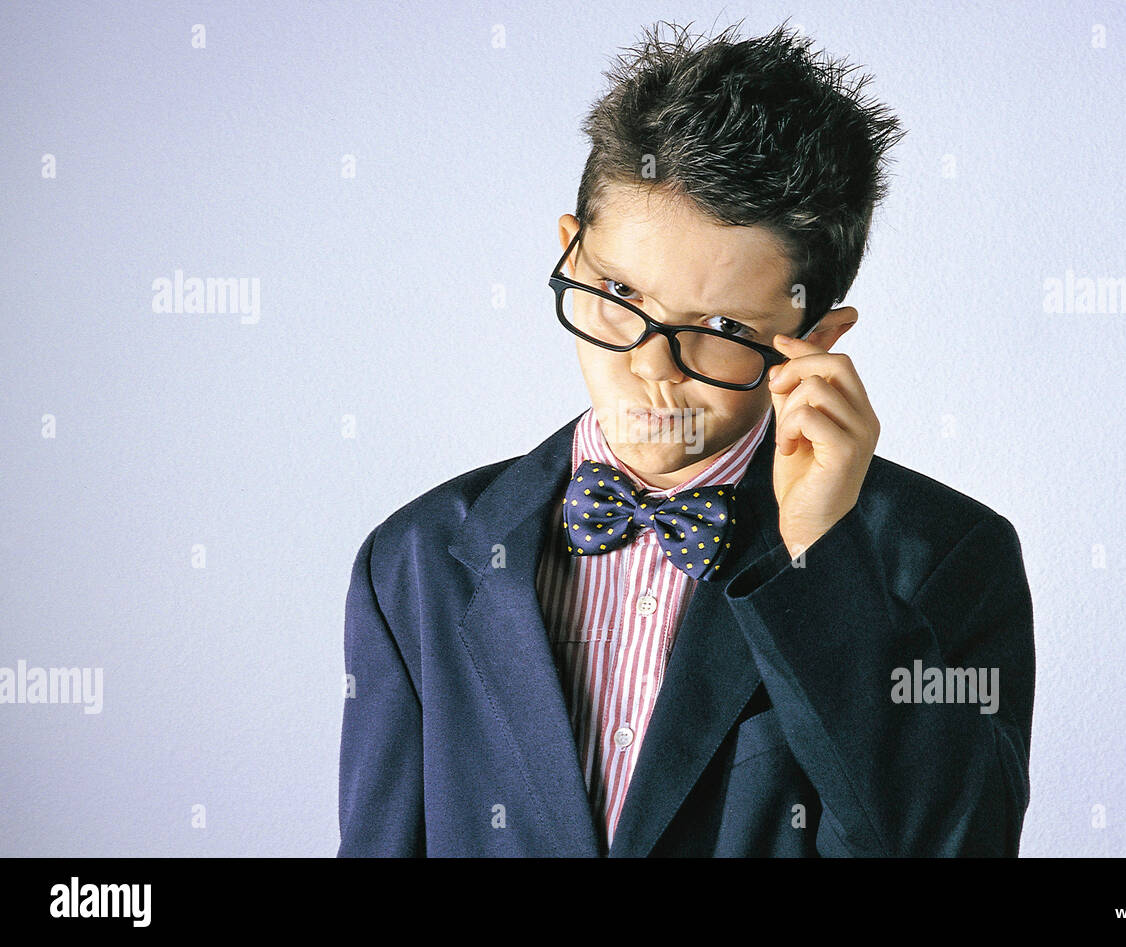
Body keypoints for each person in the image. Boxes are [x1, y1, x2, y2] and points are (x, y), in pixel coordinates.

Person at [337, 20, 1034, 857]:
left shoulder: (949, 556)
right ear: (571, 251)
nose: (652, 369)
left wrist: (818, 561)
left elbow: (949, 847)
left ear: (819, 334)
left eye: (722, 326)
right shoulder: (415, 558)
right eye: (619, 292)